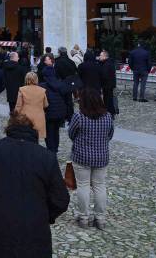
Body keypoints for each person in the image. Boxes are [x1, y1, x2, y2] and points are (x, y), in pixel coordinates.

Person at [0, 114, 69, 257]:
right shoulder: (46, 157)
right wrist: (44, 215)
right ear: (33, 132)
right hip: (35, 232)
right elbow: (61, 199)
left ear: (9, 129)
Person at [68, 89, 114, 230]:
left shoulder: (79, 117)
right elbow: (110, 135)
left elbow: (71, 134)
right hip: (101, 156)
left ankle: (84, 216)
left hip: (82, 156)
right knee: (100, 186)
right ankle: (100, 218)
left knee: (83, 186)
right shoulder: (108, 116)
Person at [41, 67, 72, 153]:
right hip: (60, 113)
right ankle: (55, 148)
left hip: (48, 114)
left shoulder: (42, 86)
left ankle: (51, 150)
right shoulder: (62, 84)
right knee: (56, 131)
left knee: (49, 132)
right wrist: (69, 115)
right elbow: (68, 101)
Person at [14, 72, 48, 143]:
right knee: (36, 136)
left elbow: (18, 105)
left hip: (25, 116)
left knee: (26, 136)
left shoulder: (22, 89)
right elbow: (46, 105)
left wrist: (15, 115)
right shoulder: (42, 90)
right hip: (38, 116)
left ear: (26, 79)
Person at [98, 50, 117, 116]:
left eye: (100, 55)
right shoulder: (107, 63)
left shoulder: (107, 64)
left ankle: (109, 113)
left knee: (107, 99)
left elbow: (105, 75)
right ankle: (111, 112)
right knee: (108, 99)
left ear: (105, 56)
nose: (99, 57)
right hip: (109, 84)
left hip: (107, 85)